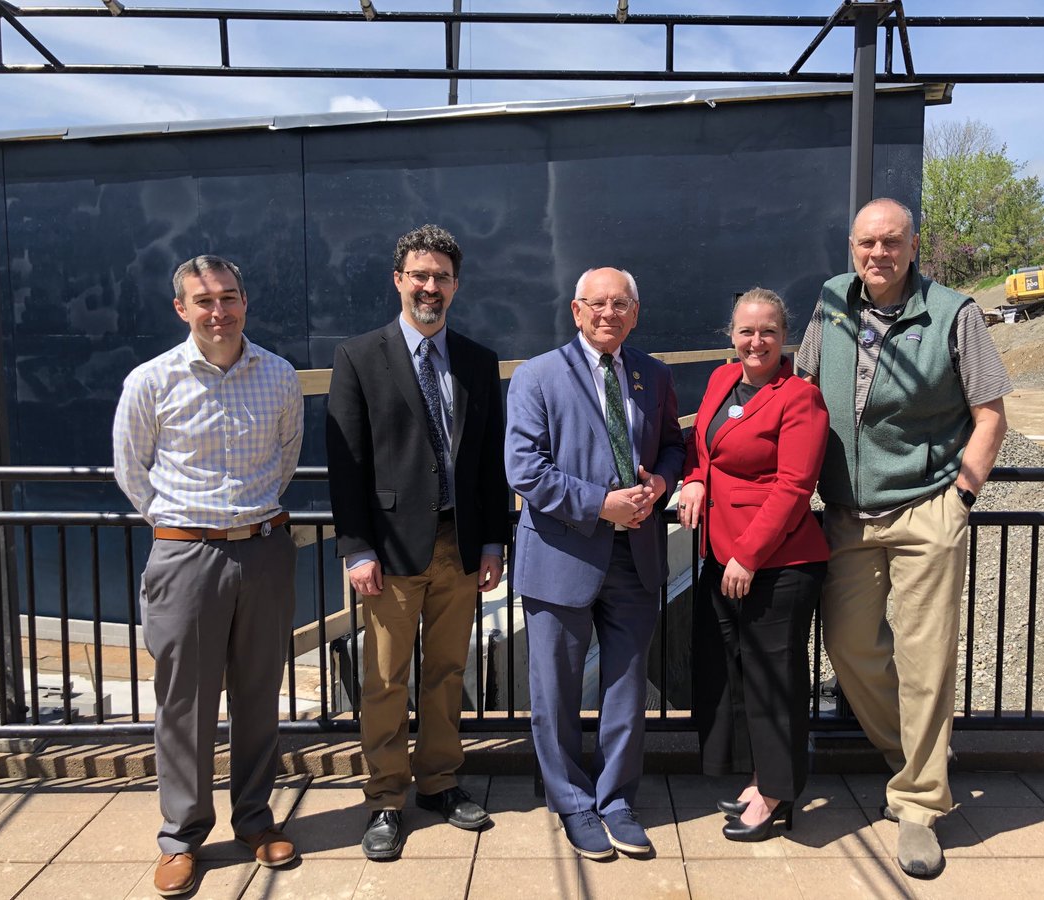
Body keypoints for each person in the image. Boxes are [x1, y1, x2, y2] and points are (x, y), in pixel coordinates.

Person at [797, 198, 1010, 878]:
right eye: (867, 242)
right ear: (851, 245)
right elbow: (802, 387)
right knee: (851, 643)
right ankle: (914, 752)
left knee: (925, 659)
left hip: (926, 507)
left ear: (913, 245)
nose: (878, 254)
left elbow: (990, 414)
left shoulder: (954, 313)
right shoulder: (831, 300)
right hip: (846, 510)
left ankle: (919, 804)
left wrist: (962, 496)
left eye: (891, 242)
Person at [112, 254, 304, 897]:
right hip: (185, 556)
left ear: (245, 300)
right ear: (182, 310)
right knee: (183, 706)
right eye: (204, 301)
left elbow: (285, 459)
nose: (218, 311)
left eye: (228, 297)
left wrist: (245, 524)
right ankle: (182, 836)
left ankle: (254, 820)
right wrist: (185, 528)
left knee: (258, 696)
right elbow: (132, 472)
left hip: (263, 548)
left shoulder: (277, 375)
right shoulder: (150, 380)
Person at [325, 224, 507, 861]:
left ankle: (440, 781)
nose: (431, 287)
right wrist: (356, 547)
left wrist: (493, 543)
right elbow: (345, 464)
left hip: (460, 547)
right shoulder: (358, 357)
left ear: (456, 286)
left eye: (442, 277)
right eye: (420, 276)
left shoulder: (479, 361)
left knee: (448, 671)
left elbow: (488, 464)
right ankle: (383, 797)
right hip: (390, 550)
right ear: (398, 280)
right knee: (383, 679)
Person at [504, 267, 685, 860]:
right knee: (555, 691)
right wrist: (600, 505)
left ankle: (616, 800)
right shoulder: (536, 376)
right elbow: (524, 470)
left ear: (635, 312)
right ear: (576, 312)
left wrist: (662, 480)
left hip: (636, 554)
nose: (609, 313)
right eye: (597, 304)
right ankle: (572, 803)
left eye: (621, 304)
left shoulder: (653, 375)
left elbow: (674, 445)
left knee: (627, 688)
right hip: (562, 554)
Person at [678, 287, 830, 842]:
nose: (756, 341)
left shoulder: (800, 398)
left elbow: (794, 487)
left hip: (778, 562)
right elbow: (702, 448)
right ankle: (757, 774)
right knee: (729, 673)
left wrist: (749, 555)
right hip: (720, 555)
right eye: (746, 330)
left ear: (783, 335)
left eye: (767, 331)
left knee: (774, 682)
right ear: (731, 335)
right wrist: (693, 480)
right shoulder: (722, 382)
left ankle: (777, 794)